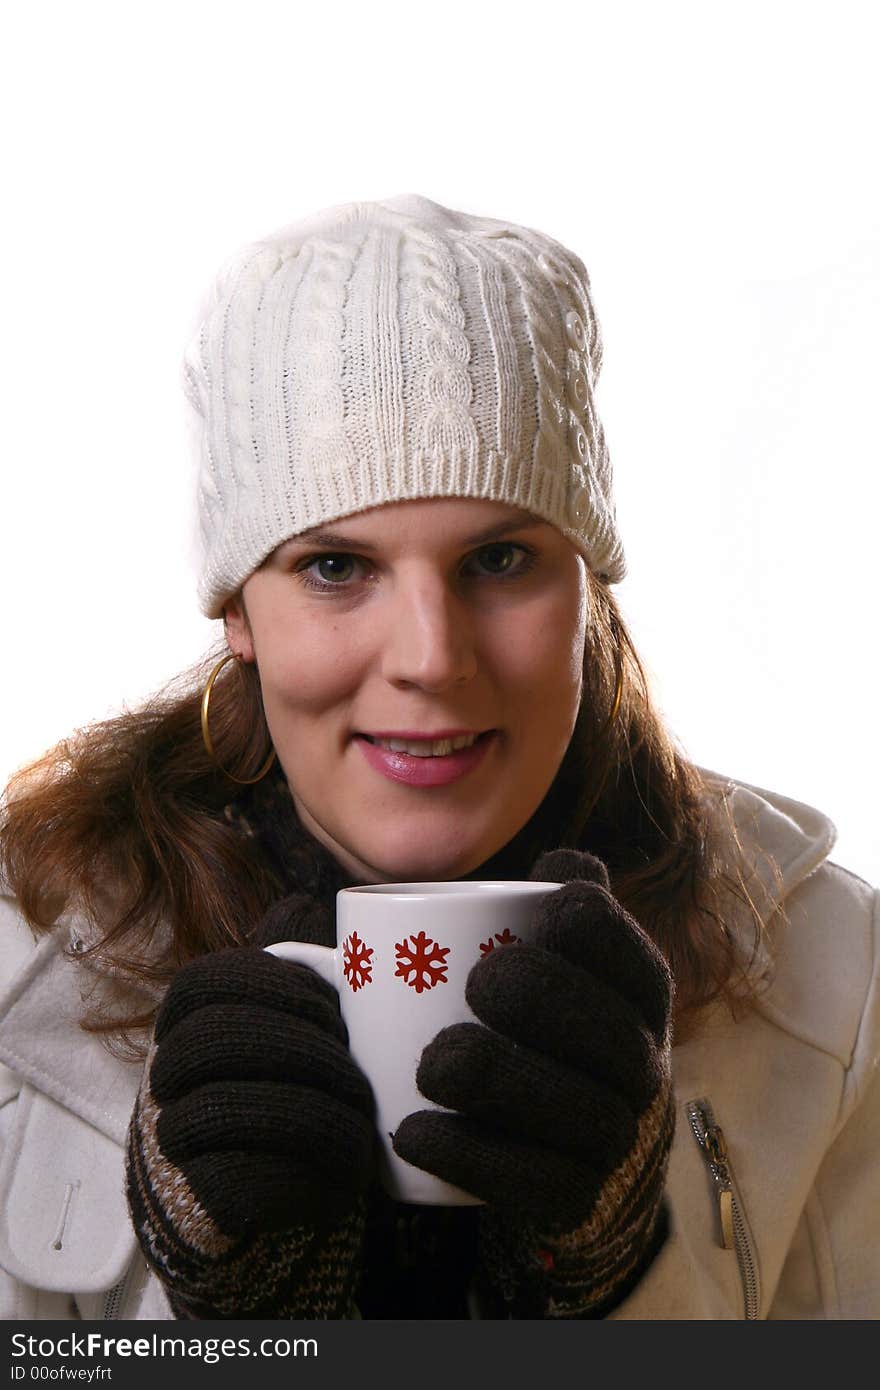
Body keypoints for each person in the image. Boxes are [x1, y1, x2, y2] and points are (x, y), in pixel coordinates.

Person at [0, 194, 877, 1322]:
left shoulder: (832, 970)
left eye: (501, 557)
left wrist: (615, 1265)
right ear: (238, 612)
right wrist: (222, 1314)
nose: (429, 658)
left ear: (586, 589)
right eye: (334, 568)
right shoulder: (26, 961)